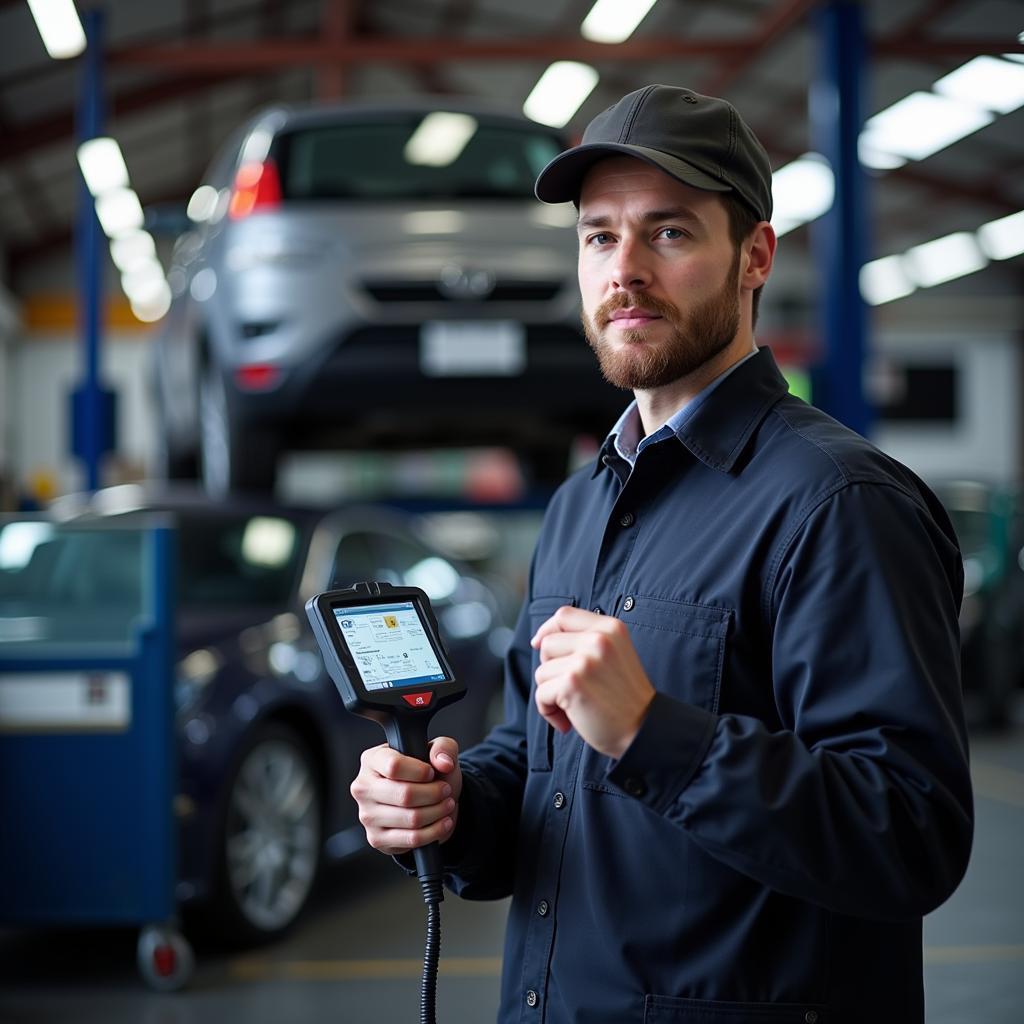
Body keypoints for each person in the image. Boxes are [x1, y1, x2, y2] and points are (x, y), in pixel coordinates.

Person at [351, 85, 973, 1023]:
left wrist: (653, 734)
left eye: (670, 233)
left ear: (754, 256)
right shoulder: (577, 505)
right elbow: (538, 761)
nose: (624, 271)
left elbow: (910, 834)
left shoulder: (839, 504)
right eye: (600, 236)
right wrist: (451, 808)